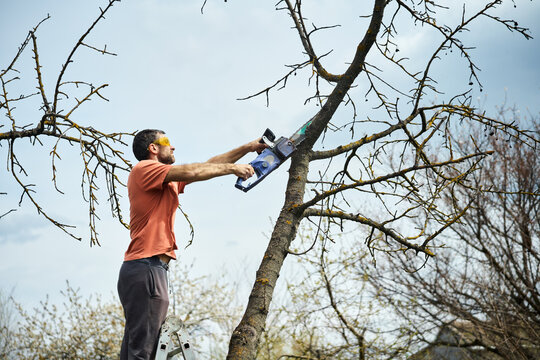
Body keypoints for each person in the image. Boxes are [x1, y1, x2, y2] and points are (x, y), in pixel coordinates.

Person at [117, 129, 265, 359]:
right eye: (166, 142)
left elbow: (207, 166)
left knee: (135, 350)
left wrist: (248, 147)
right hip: (146, 268)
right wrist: (233, 169)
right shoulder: (144, 168)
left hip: (144, 270)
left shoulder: (164, 180)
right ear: (153, 148)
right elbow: (194, 169)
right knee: (143, 353)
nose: (173, 146)